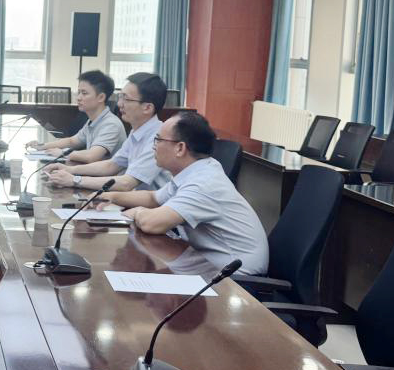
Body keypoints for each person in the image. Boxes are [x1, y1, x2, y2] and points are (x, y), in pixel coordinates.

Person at [97, 111, 269, 275]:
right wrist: (110, 196)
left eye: (158, 140)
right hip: (208, 266)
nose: (153, 146)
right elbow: (153, 198)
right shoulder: (193, 171)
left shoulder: (204, 183)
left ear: (180, 148)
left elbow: (152, 224)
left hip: (238, 279)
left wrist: (137, 212)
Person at [45, 72, 170, 192]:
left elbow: (127, 183)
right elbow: (112, 165)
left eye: (126, 99)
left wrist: (74, 180)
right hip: (136, 198)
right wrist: (69, 170)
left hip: (155, 205)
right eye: (120, 97)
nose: (119, 104)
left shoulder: (159, 138)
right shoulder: (136, 132)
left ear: (147, 108)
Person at [26, 70, 125, 164]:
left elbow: (91, 156)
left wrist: (63, 153)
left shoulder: (110, 124)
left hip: (108, 175)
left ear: (101, 97)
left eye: (84, 93)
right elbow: (72, 141)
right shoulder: (94, 120)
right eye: (79, 93)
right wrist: (42, 146)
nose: (78, 98)